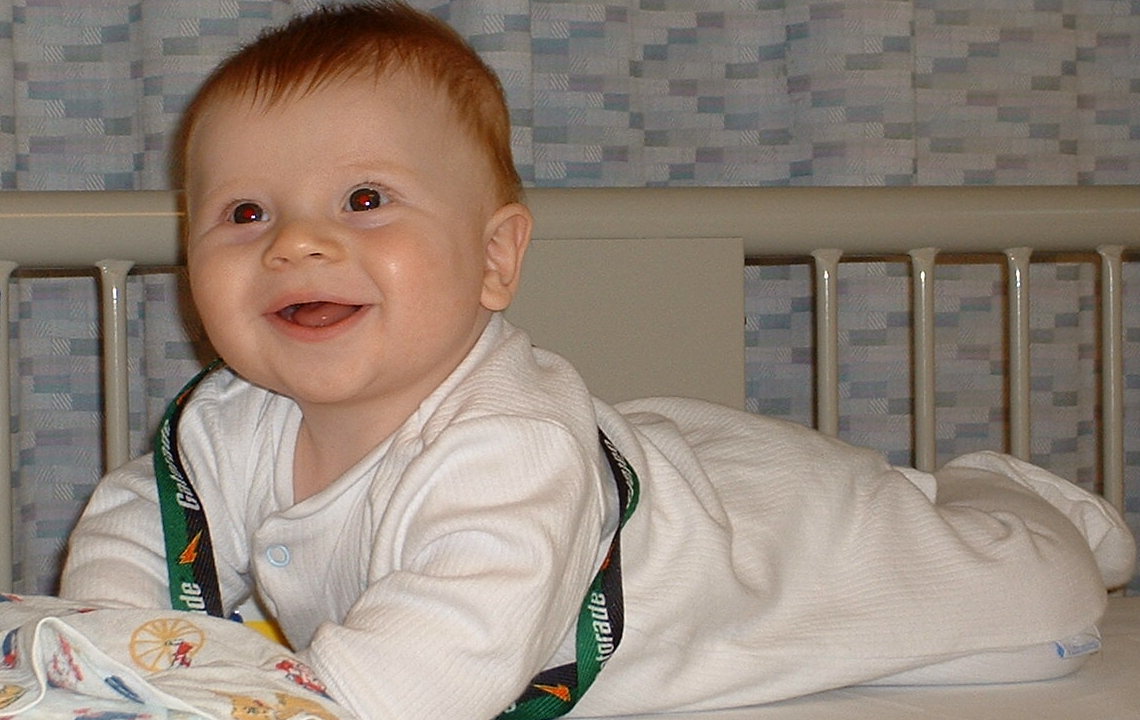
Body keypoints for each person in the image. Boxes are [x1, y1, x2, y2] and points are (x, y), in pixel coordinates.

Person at [60, 2, 1136, 719]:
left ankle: (1020, 495)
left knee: (1039, 602)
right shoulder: (232, 419)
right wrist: (108, 651)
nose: (297, 242)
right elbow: (137, 527)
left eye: (365, 199)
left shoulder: (507, 449)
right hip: (655, 467)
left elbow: (423, 672)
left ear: (494, 259)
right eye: (246, 213)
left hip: (787, 545)